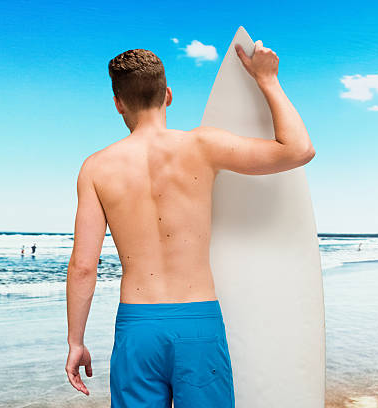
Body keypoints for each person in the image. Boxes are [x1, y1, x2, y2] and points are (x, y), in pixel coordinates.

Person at [65, 40, 315, 407]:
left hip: (138, 327)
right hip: (198, 322)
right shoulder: (202, 145)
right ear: (168, 95)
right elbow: (299, 150)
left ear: (118, 102)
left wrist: (76, 341)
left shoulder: (96, 167)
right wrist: (268, 79)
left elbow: (84, 266)